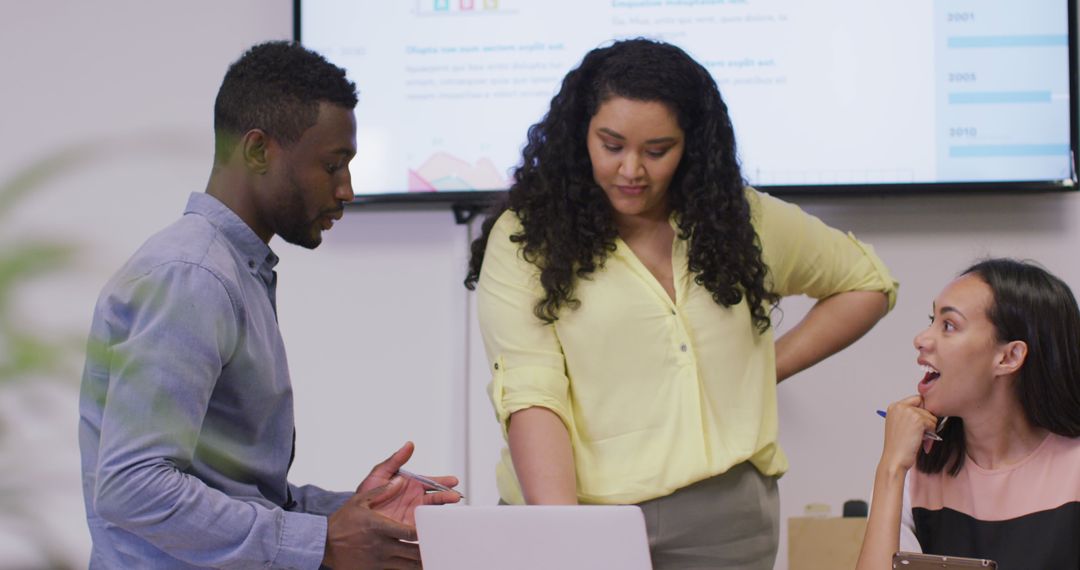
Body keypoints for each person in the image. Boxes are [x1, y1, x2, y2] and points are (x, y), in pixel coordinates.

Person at [464, 38, 898, 569]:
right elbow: (531, 394)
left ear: (690, 145)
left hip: (726, 527)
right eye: (612, 144)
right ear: (581, 136)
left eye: (656, 150)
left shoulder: (741, 220)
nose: (631, 170)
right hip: (584, 515)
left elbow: (867, 282)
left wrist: (761, 369)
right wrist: (564, 536)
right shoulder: (527, 239)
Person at [78, 41, 460, 569]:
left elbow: (236, 492)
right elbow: (134, 487)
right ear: (258, 151)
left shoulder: (233, 271)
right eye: (333, 165)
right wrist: (322, 542)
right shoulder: (193, 276)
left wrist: (353, 513)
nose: (346, 190)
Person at [856, 259, 1080, 570]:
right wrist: (891, 468)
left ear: (1009, 356)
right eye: (932, 320)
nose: (920, 339)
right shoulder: (912, 471)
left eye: (948, 325)